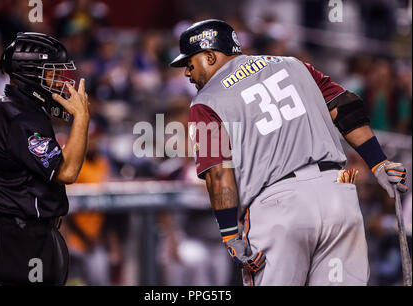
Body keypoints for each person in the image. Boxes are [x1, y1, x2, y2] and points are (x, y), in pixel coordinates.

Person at [170, 19, 409, 286]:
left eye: (190, 64)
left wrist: (229, 234)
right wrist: (378, 164)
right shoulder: (294, 65)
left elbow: (218, 174)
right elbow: (346, 108)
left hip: (277, 208)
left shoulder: (205, 101)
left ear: (210, 55)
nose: (187, 74)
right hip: (338, 196)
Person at [0, 32, 90, 285]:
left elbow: (62, 167)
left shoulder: (21, 112)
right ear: (30, 73)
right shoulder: (16, 116)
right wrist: (81, 119)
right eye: (52, 74)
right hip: (17, 239)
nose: (60, 81)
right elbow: (67, 172)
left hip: (28, 236)